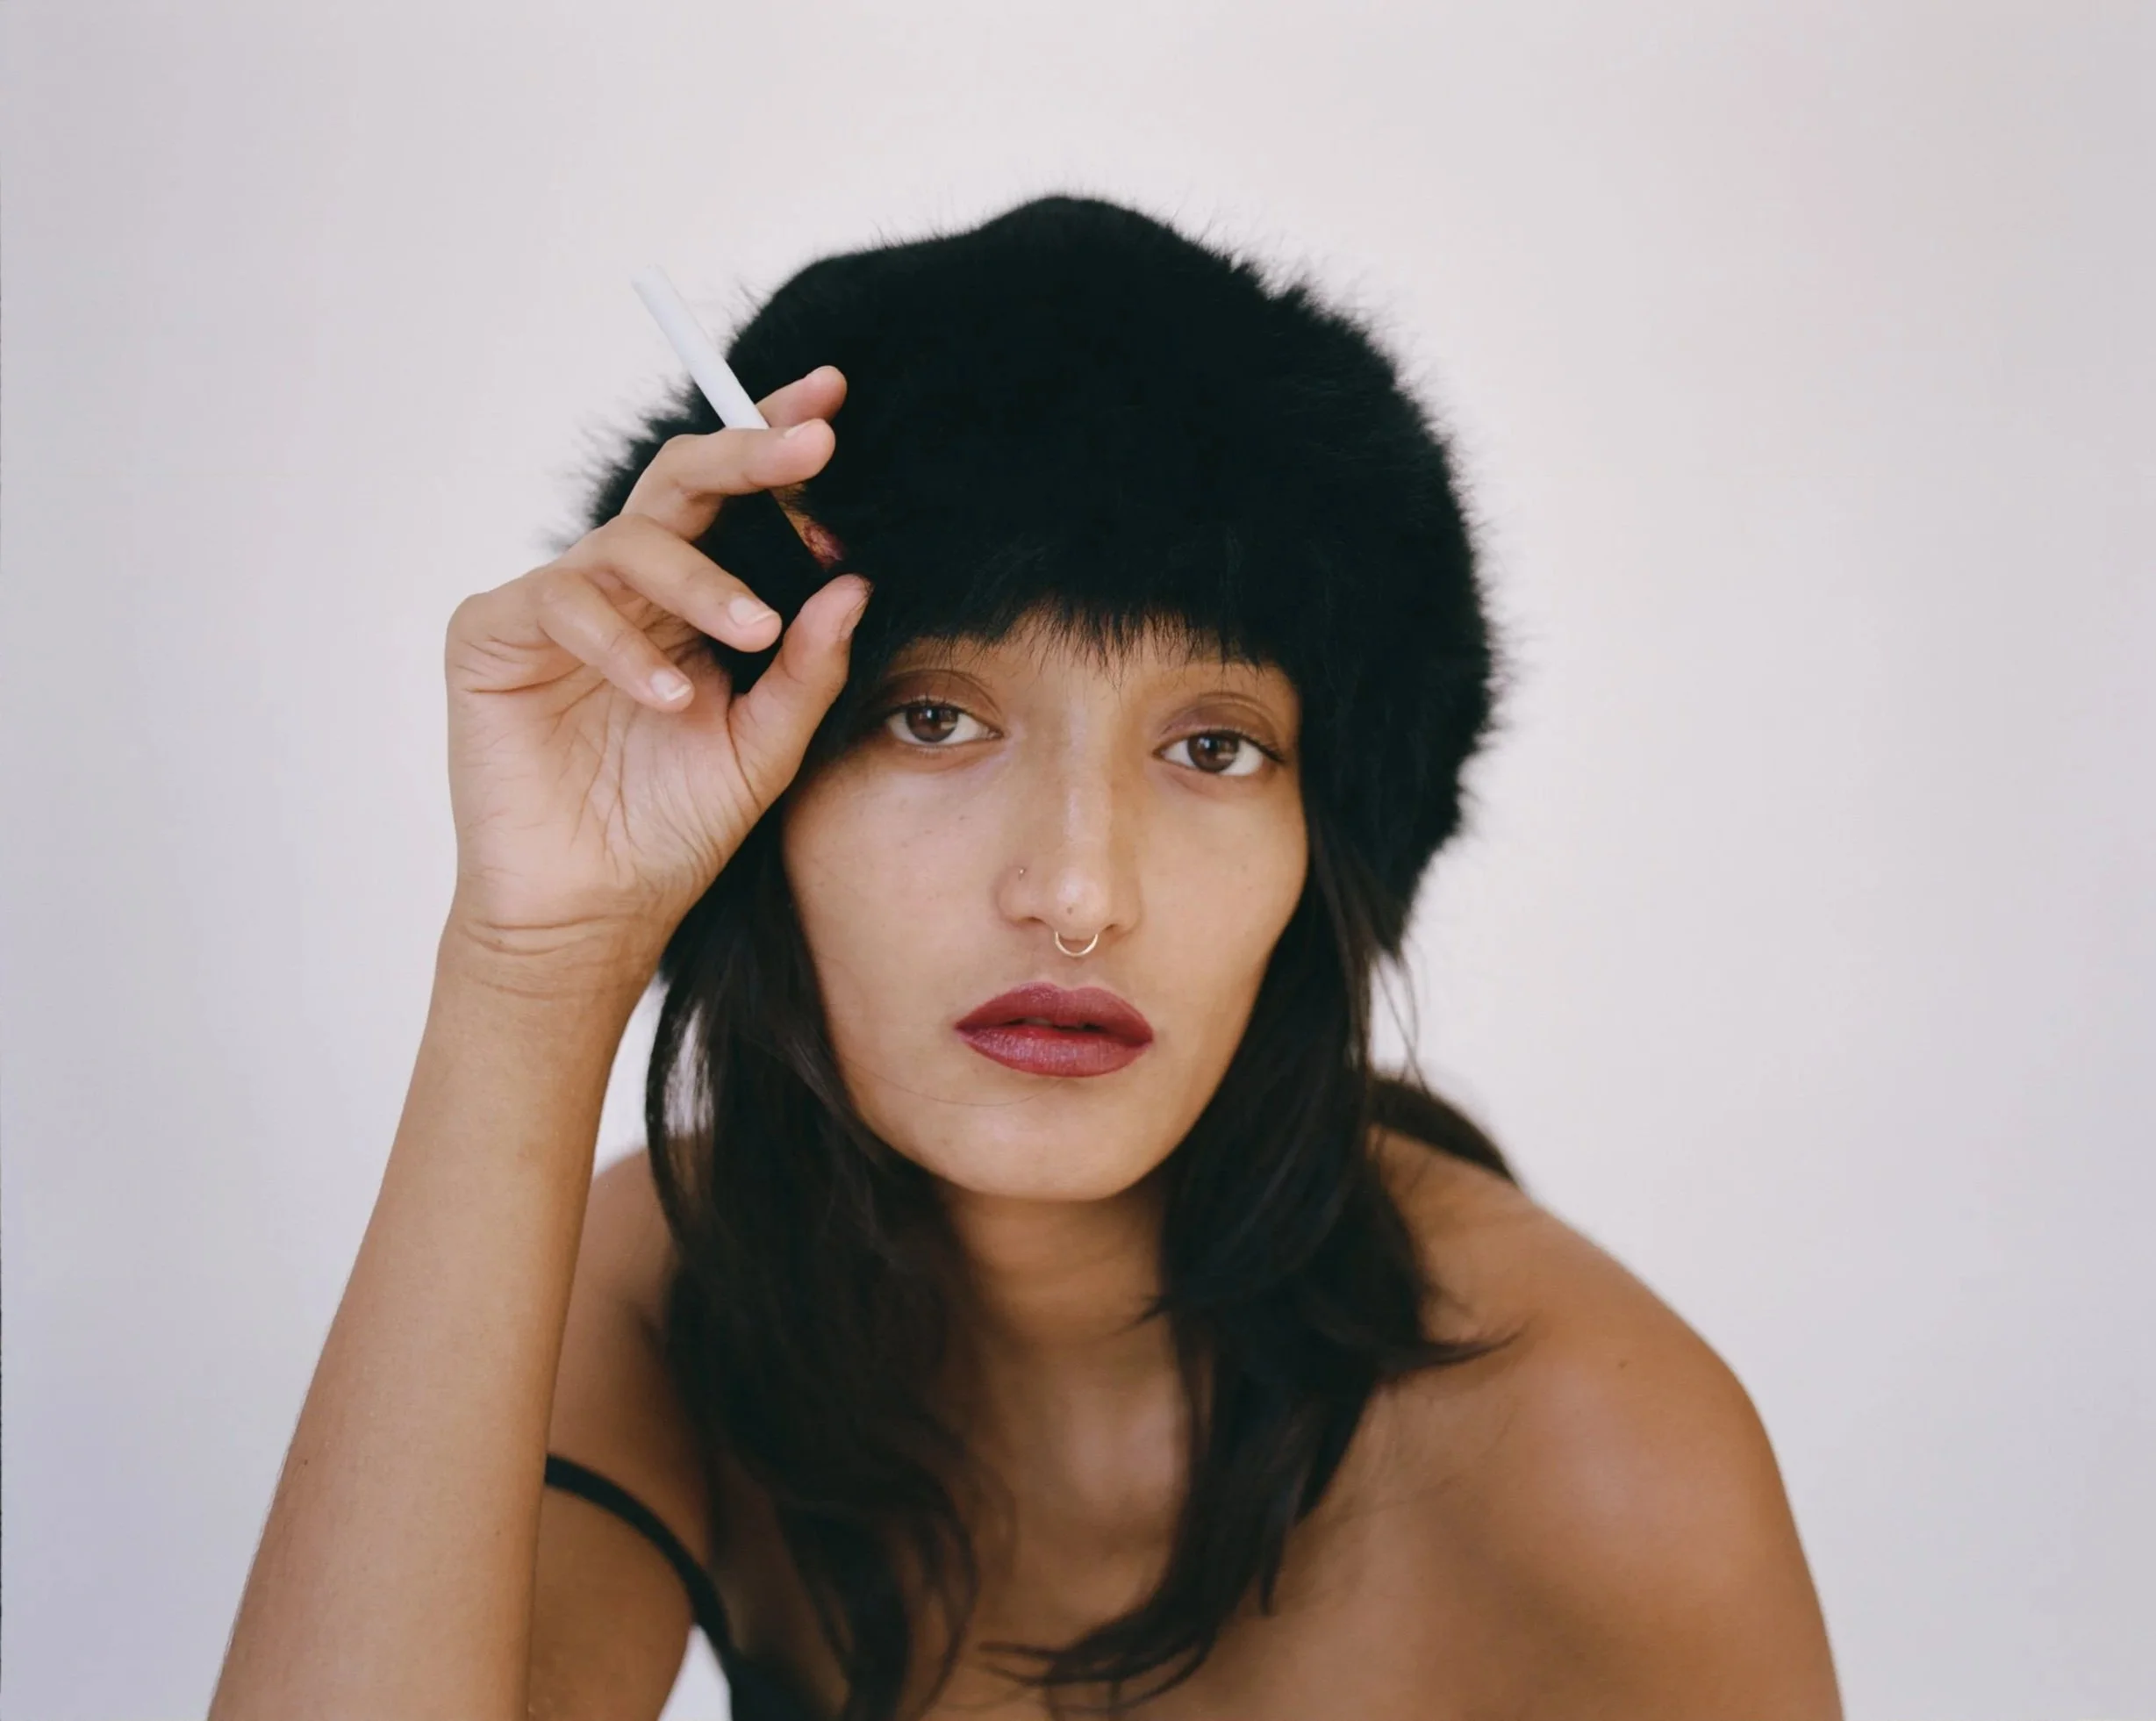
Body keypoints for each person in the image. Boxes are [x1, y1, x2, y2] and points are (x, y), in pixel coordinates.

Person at [209, 195, 1841, 1721]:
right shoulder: (665, 1294)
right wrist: (532, 967)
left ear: (1316, 865)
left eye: (1212, 749)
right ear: (759, 795)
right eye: (934, 718)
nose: (1075, 892)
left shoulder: (1597, 1449)